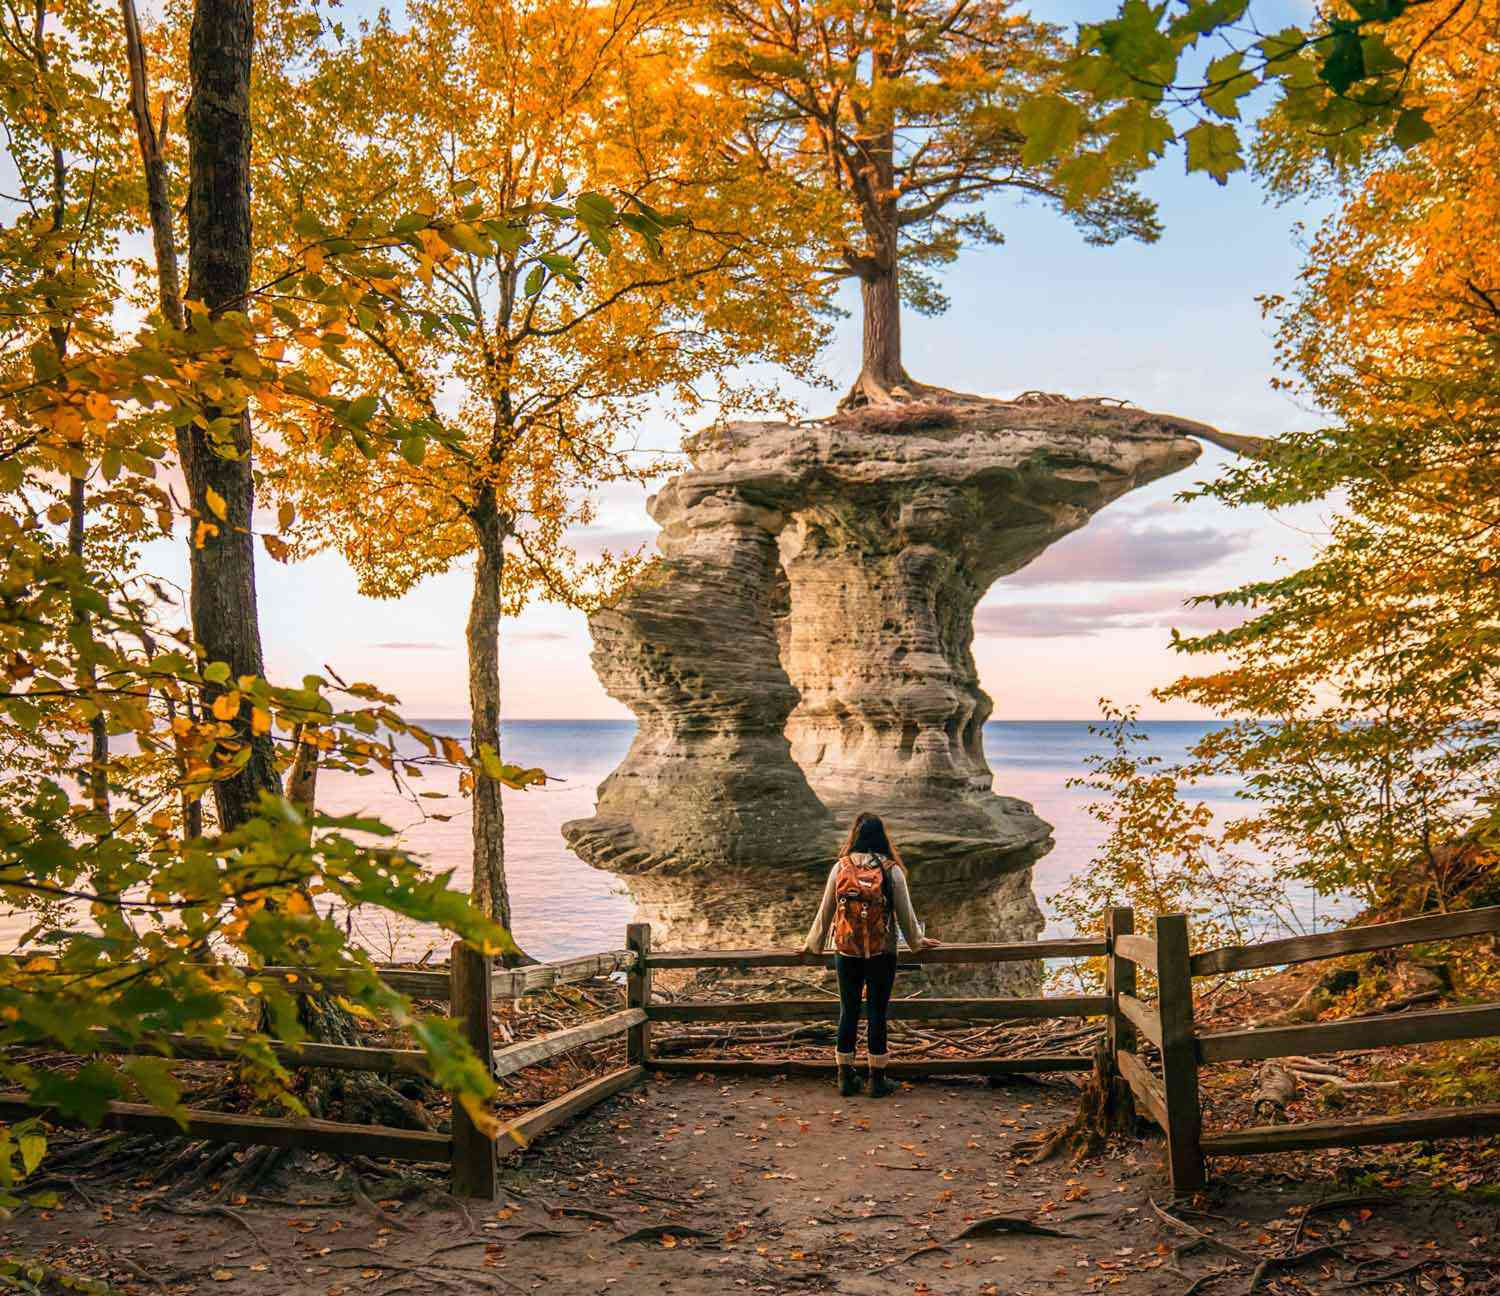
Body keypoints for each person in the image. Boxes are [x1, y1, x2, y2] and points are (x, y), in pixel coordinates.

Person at [803, 812, 939, 1098]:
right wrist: (917, 941)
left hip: (846, 951)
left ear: (855, 835)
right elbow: (905, 914)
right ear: (882, 836)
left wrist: (812, 945)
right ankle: (877, 1079)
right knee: (877, 1013)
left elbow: (825, 910)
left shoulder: (840, 867)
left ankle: (845, 1077)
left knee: (848, 1011)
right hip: (882, 953)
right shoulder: (891, 870)